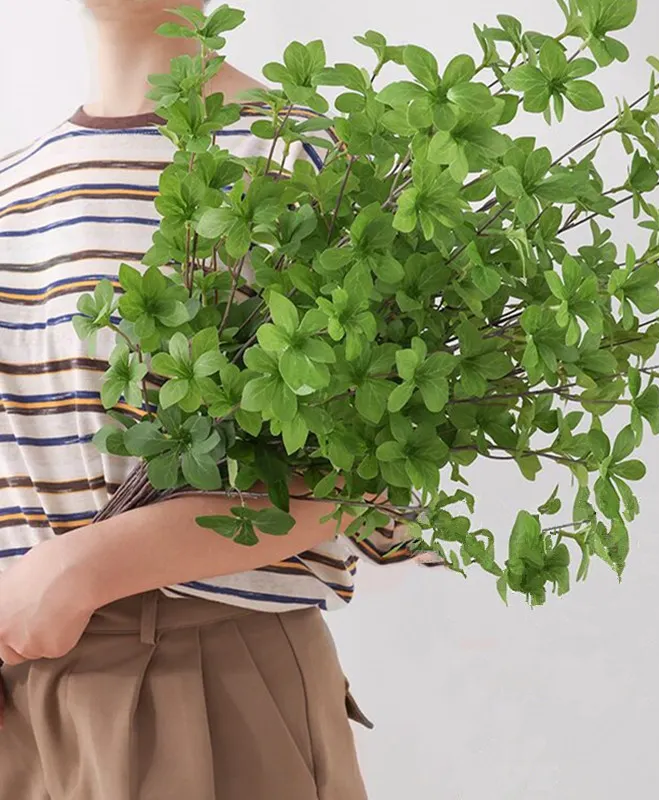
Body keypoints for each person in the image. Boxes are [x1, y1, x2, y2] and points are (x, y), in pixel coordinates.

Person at [0, 1, 429, 797]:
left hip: (197, 682)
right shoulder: (13, 185)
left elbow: (365, 472)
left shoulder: (308, 161)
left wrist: (83, 569)